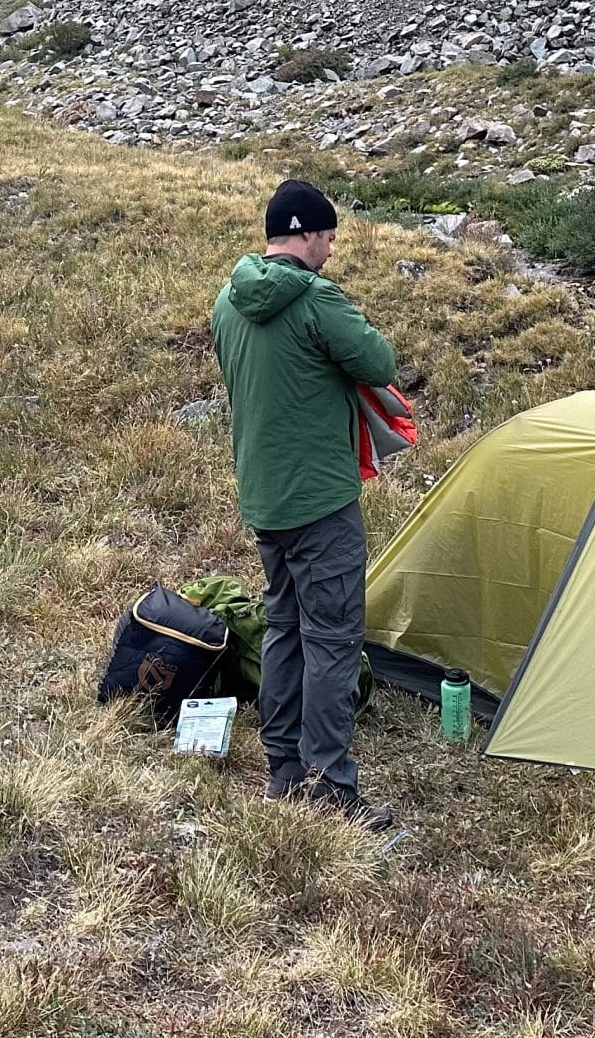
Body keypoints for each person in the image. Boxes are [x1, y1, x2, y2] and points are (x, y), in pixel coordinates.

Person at [211, 177, 400, 826]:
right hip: (320, 501)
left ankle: (284, 772)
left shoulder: (227, 302)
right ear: (309, 235)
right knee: (333, 640)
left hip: (264, 498)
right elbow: (379, 362)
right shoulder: (318, 300)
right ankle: (331, 787)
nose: (331, 250)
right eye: (330, 238)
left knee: (285, 628)